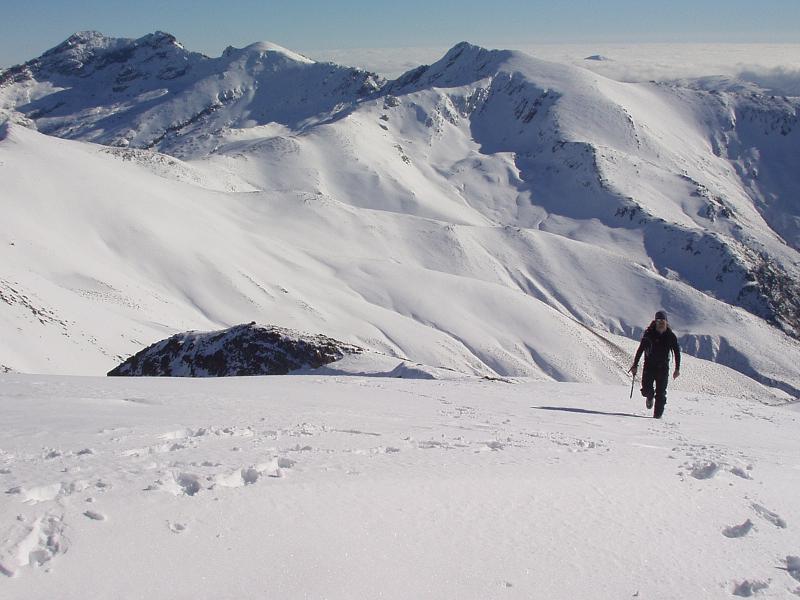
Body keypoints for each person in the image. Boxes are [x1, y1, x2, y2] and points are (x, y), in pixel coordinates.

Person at [628, 310, 681, 419]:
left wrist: (677, 369)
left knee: (661, 393)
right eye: (658, 320)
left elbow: (677, 352)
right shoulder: (649, 334)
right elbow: (640, 350)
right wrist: (635, 365)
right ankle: (650, 396)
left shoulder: (670, 336)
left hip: (663, 368)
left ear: (666, 322)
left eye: (662, 321)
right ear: (655, 321)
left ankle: (657, 417)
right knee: (646, 390)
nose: (660, 323)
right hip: (649, 367)